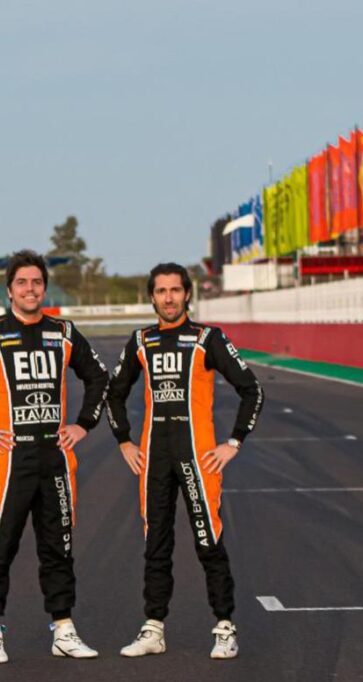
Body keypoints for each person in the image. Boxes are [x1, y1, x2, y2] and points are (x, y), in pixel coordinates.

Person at [0, 250, 109, 663]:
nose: (31, 289)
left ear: (45, 288)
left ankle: (63, 629)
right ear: (9, 290)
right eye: (22, 283)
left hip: (56, 460)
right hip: (9, 460)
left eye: (37, 282)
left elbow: (99, 377)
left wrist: (83, 424)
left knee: (59, 548)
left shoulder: (64, 333)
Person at [105, 262, 263, 660]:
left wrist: (233, 443)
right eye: (161, 291)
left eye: (175, 290)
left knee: (208, 542)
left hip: (199, 457)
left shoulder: (208, 338)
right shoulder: (141, 341)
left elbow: (251, 390)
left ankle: (224, 627)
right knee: (155, 544)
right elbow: (114, 393)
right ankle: (153, 628)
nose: (169, 298)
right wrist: (124, 441)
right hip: (154, 459)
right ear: (152, 297)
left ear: (187, 294)